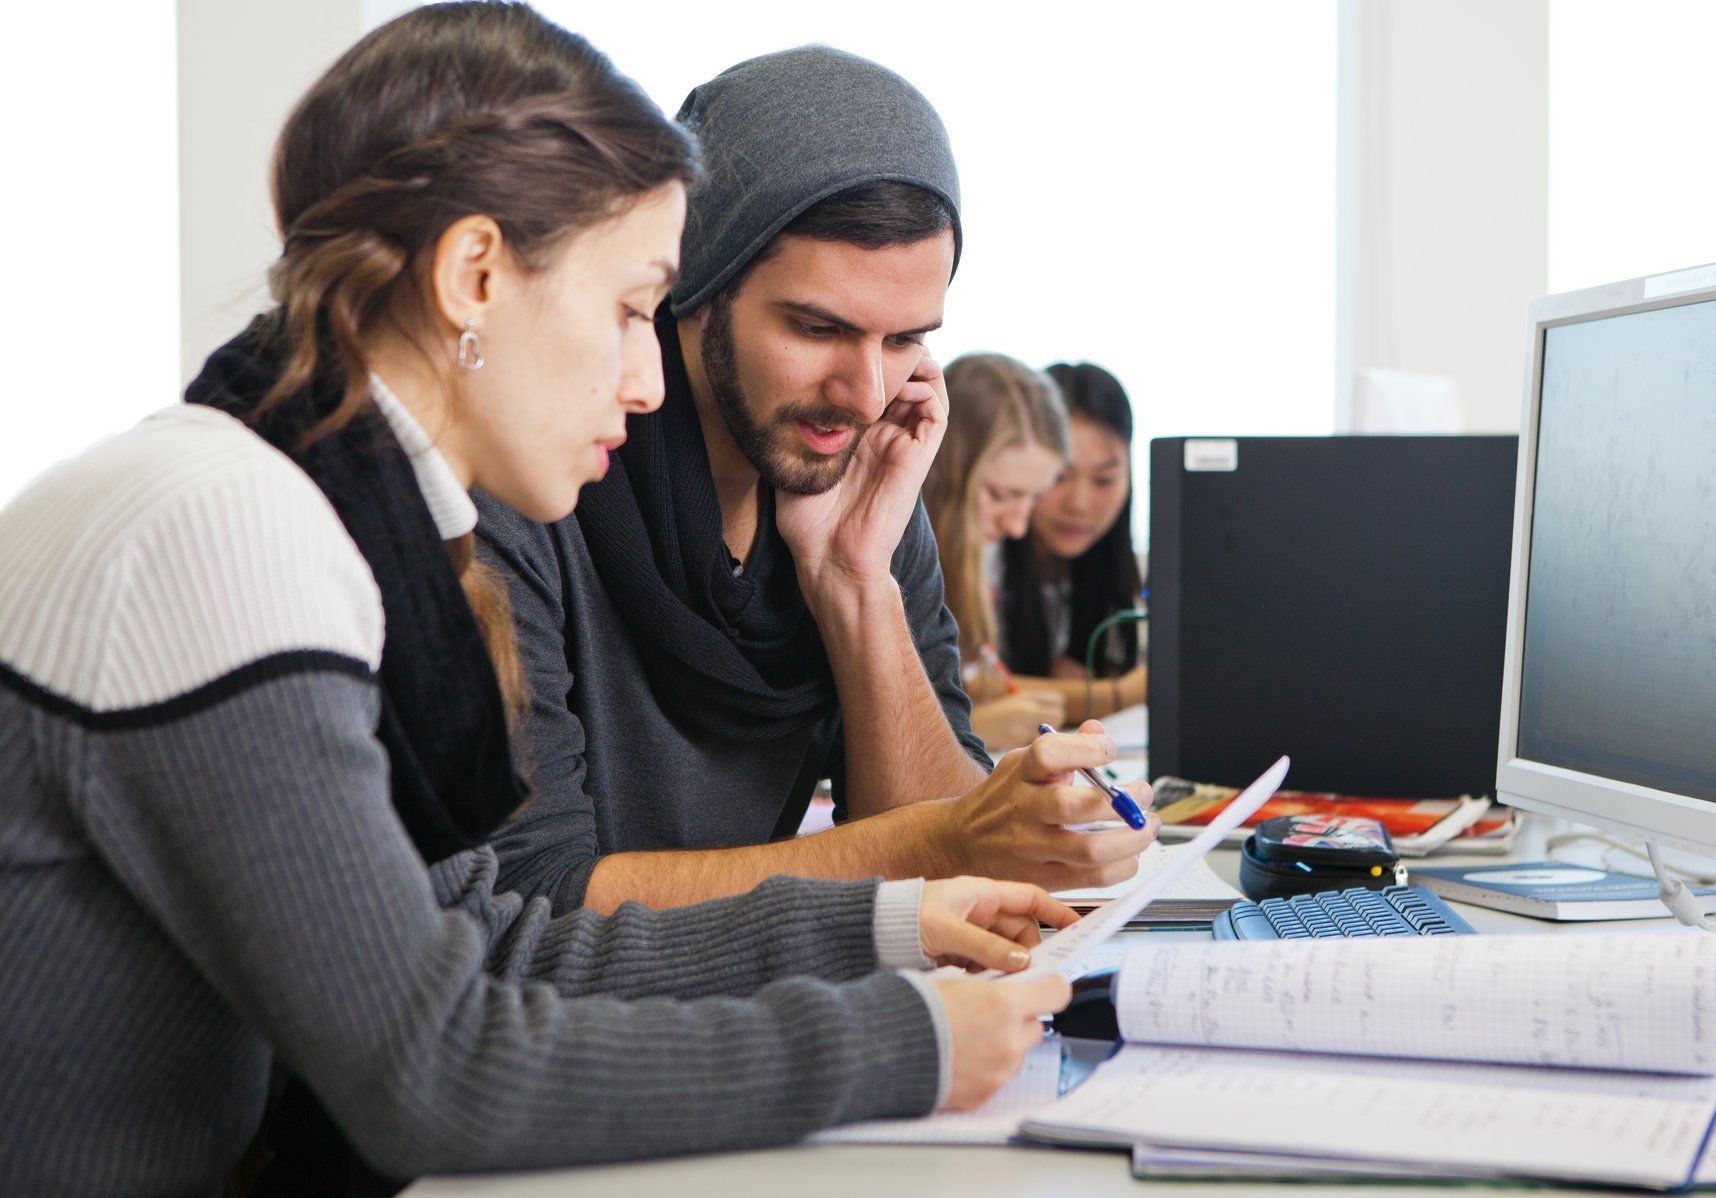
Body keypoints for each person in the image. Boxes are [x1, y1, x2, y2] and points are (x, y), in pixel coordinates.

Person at [0, 7, 1078, 1193]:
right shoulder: (223, 531)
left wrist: (886, 925)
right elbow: (436, 1069)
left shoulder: (336, 514)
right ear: (473, 277)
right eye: (629, 309)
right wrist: (903, 1043)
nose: (646, 372)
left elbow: (496, 947)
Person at [477, 45, 1156, 916]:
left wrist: (854, 585)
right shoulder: (526, 484)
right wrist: (937, 841)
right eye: (816, 327)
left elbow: (962, 876)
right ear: (697, 278)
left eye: (906, 339)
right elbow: (532, 902)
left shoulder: (854, 479)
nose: (866, 394)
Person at [920, 353, 1074, 750]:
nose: (1018, 527)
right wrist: (976, 726)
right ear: (940, 472)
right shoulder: (888, 562)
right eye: (1001, 496)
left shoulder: (985, 557)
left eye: (1034, 498)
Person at [996, 361, 1148, 722]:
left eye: (1104, 480)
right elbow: (961, 686)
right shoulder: (983, 555)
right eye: (1059, 476)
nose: (1079, 504)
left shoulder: (1112, 572)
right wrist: (1124, 692)